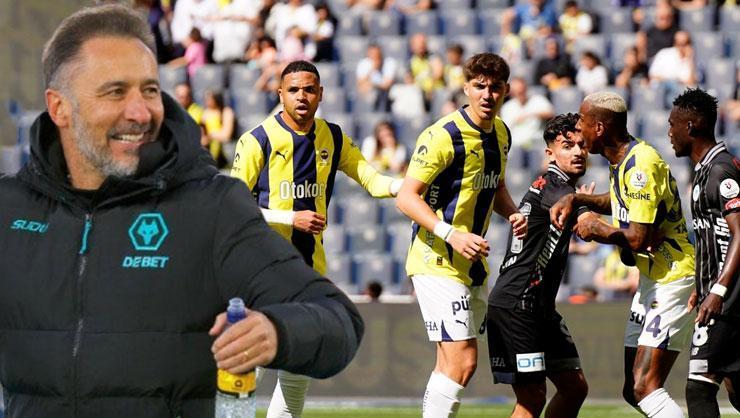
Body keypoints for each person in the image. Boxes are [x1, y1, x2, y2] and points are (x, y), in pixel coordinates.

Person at [0, 6, 364, 417]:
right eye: (115, 92)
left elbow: (337, 320)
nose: (141, 112)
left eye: (149, 90)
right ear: (59, 108)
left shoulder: (211, 206)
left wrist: (276, 332)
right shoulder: (10, 210)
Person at [230, 60, 402, 418]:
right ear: (280, 94)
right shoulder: (258, 140)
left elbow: (373, 181)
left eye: (309, 89)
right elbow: (233, 208)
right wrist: (289, 217)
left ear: (320, 94)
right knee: (253, 360)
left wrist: (411, 186)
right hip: (263, 269)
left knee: (299, 365)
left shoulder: (332, 137)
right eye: (293, 90)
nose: (301, 96)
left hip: (308, 271)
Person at [396, 52, 528, 418]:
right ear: (466, 87)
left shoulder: (502, 133)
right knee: (463, 361)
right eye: (480, 86)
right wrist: (450, 233)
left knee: (450, 364)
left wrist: (512, 213)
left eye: (495, 87)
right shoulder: (443, 136)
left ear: (506, 91)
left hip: (472, 264)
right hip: (436, 258)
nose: (488, 94)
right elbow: (406, 197)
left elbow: (495, 186)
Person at [550, 91, 695, 418]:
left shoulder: (640, 164)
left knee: (645, 387)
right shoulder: (622, 160)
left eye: (582, 122)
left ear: (599, 128)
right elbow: (618, 201)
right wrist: (578, 199)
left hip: (674, 278)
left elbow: (638, 238)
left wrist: (595, 227)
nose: (578, 129)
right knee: (634, 390)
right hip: (653, 279)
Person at [488, 113, 591, 418]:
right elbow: (589, 227)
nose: (578, 152)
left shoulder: (559, 188)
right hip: (517, 306)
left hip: (540, 308)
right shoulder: (555, 187)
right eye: (567, 146)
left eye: (582, 145)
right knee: (532, 399)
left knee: (574, 387)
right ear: (550, 153)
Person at [667, 88, 740, 417]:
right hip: (721, 293)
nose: (669, 133)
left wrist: (717, 291)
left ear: (691, 126)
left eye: (673, 125)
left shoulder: (721, 171)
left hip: (729, 299)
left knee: (699, 387)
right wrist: (702, 284)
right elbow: (714, 235)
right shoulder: (703, 171)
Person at [200, 89, 235, 169]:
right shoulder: (205, 113)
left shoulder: (226, 112)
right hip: (210, 148)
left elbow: (226, 135)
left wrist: (211, 135)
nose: (207, 101)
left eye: (209, 99)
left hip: (225, 149)